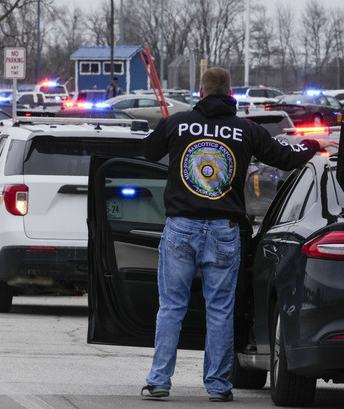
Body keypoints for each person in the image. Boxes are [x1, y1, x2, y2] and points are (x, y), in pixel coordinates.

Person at [139, 67, 338, 402]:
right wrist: (314, 144)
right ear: (230, 92)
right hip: (224, 230)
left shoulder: (177, 123)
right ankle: (217, 385)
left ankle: (159, 381)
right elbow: (284, 157)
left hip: (181, 227)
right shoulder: (246, 130)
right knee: (220, 310)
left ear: (201, 91)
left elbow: (146, 152)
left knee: (172, 307)